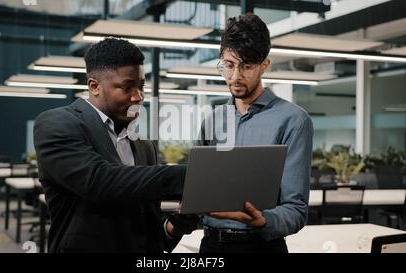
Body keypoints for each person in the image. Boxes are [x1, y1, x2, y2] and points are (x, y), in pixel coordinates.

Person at [33, 37, 197, 253]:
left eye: (141, 87)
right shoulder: (57, 124)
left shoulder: (144, 146)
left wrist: (174, 227)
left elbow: (148, 229)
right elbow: (101, 182)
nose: (138, 97)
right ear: (94, 86)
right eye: (127, 87)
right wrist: (192, 176)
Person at [198, 14, 313, 253]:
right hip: (211, 245)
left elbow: (296, 210)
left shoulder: (293, 120)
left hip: (261, 246)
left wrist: (261, 220)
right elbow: (197, 192)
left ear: (264, 65)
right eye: (229, 65)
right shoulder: (213, 120)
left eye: (247, 66)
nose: (235, 76)